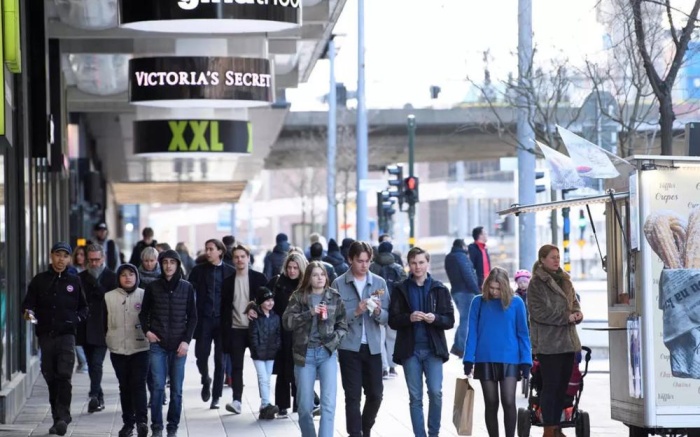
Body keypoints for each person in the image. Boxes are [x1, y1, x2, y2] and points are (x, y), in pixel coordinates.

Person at [21, 242, 88, 436]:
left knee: (64, 376)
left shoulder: (74, 281)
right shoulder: (39, 280)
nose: (61, 259)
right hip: (45, 335)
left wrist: (75, 319)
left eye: (65, 256)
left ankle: (62, 417)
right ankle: (56, 416)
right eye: (58, 255)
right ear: (51, 256)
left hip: (67, 336)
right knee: (50, 376)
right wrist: (29, 313)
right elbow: (27, 305)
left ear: (69, 259)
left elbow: (84, 308)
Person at [389, 247, 455, 437]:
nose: (417, 267)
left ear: (427, 263)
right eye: (413, 263)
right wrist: (408, 318)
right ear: (408, 265)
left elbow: (449, 320)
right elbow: (393, 320)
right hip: (410, 351)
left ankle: (433, 433)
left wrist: (434, 318)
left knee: (435, 392)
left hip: (433, 349)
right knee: (415, 397)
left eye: (421, 262)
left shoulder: (439, 288)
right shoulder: (401, 289)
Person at [463, 267, 532, 437]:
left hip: (510, 358)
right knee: (491, 403)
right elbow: (472, 332)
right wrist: (468, 359)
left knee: (508, 401)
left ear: (505, 286)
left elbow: (523, 333)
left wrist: (526, 361)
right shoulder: (478, 302)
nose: (494, 292)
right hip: (484, 358)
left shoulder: (516, 303)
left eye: (498, 288)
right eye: (491, 288)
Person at [283, 261, 348, 437]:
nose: (319, 278)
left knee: (328, 404)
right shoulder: (299, 297)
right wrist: (309, 313)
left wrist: (333, 343)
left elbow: (343, 324)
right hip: (304, 355)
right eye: (315, 275)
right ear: (308, 277)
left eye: (322, 274)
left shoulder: (334, 296)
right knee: (304, 406)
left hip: (326, 353)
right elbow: (287, 322)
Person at [331, 241, 389, 437]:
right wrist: (356, 311)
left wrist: (379, 312)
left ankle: (365, 428)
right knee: (352, 396)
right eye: (360, 261)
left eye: (367, 261)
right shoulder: (339, 283)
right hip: (349, 347)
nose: (364, 265)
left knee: (376, 395)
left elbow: (387, 317)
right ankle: (355, 433)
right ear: (350, 259)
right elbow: (333, 318)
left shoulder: (379, 283)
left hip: (373, 347)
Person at [139, 250, 197, 437]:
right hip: (158, 344)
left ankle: (172, 427)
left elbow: (193, 317)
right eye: (165, 262)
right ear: (161, 264)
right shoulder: (153, 287)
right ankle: (157, 427)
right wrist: (147, 331)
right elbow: (143, 313)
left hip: (179, 346)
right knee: (157, 387)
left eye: (172, 262)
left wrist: (187, 341)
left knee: (177, 390)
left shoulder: (187, 287)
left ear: (178, 265)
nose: (169, 265)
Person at [527, 245, 583, 437]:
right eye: (552, 257)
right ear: (542, 259)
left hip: (568, 342)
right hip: (549, 344)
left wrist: (577, 313)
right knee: (550, 386)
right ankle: (549, 429)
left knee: (562, 386)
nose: (557, 260)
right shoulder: (536, 283)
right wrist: (564, 317)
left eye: (558, 257)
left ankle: (557, 427)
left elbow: (574, 302)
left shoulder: (565, 279)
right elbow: (537, 312)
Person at [187, 239, 234, 409]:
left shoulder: (230, 272)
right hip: (204, 319)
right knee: (201, 355)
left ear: (220, 251)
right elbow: (187, 291)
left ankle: (216, 396)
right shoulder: (198, 270)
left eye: (211, 249)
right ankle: (206, 379)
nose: (207, 252)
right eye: (206, 249)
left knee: (220, 360)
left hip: (223, 321)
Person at [221, 244, 268, 414]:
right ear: (233, 260)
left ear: (248, 258)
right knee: (236, 367)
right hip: (235, 329)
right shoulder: (227, 282)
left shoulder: (259, 278)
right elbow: (224, 308)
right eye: (236, 257)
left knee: (261, 367)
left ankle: (265, 401)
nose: (240, 259)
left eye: (243, 256)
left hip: (255, 329)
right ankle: (237, 400)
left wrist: (258, 312)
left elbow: (268, 303)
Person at [104, 264, 150, 437]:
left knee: (138, 385)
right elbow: (103, 322)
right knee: (125, 387)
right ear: (118, 278)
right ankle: (128, 424)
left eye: (131, 274)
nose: (128, 277)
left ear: (136, 276)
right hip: (118, 350)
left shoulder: (144, 295)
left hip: (141, 348)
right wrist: (108, 338)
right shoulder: (108, 297)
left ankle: (142, 422)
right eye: (123, 274)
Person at [78, 243, 118, 413]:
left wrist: (97, 285)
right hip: (86, 327)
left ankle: (94, 394)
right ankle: (98, 396)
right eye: (90, 260)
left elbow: (113, 300)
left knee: (96, 363)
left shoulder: (111, 277)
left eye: (96, 260)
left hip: (103, 327)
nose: (93, 263)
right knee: (91, 362)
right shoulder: (81, 277)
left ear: (102, 259)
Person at [268, 251, 308, 416]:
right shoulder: (277, 282)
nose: (292, 271)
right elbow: (263, 300)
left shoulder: (306, 285)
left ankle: (300, 402)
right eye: (289, 267)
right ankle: (282, 404)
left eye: (295, 268)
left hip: (301, 332)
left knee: (299, 367)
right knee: (284, 368)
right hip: (282, 331)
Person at [369, 241, 407, 379]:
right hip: (394, 307)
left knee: (379, 337)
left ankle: (383, 367)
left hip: (377, 305)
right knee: (392, 338)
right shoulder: (397, 268)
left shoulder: (372, 267)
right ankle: (392, 367)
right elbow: (405, 287)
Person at [247, 286, 282, 420]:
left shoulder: (275, 317)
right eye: (267, 300)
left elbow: (278, 335)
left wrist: (276, 347)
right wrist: (256, 349)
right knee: (263, 377)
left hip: (271, 353)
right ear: (261, 302)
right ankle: (266, 403)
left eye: (272, 300)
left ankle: (264, 405)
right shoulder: (255, 317)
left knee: (267, 379)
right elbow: (252, 336)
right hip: (258, 355)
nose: (270, 303)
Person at [444, 238, 480, 359]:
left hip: (455, 291)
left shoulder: (449, 257)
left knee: (464, 318)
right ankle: (462, 348)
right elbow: (468, 274)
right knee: (467, 320)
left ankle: (458, 347)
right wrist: (477, 291)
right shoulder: (461, 257)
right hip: (466, 291)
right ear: (463, 246)